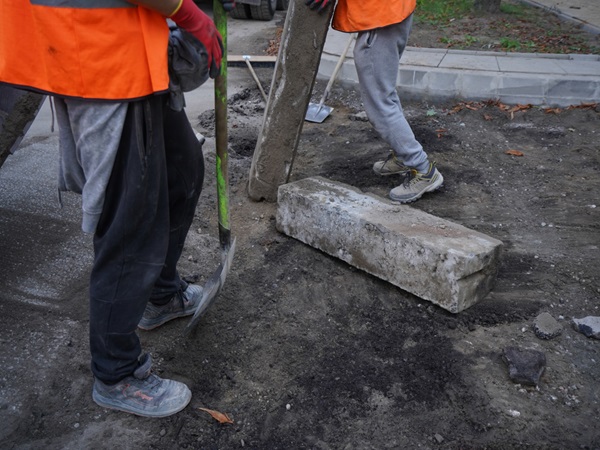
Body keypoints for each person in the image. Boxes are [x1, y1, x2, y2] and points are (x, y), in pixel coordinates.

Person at [0, 0, 232, 417]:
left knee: (182, 176)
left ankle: (160, 297)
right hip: (99, 59)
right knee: (132, 228)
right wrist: (190, 13)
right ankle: (116, 373)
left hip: (135, 48)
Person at [306, 0, 444, 203]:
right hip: (390, 10)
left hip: (380, 14)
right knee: (384, 93)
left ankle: (423, 170)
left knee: (379, 103)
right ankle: (403, 155)